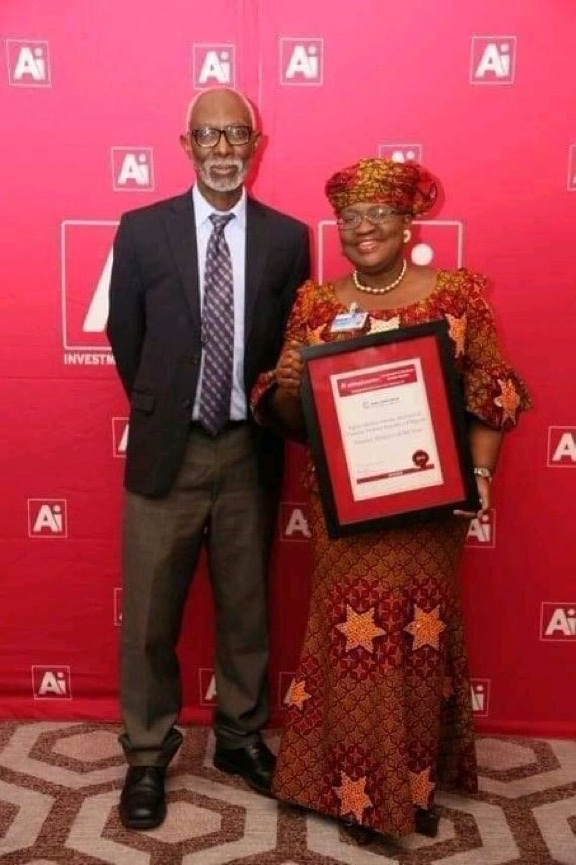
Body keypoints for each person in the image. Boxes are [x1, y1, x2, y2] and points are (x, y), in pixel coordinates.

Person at [251, 157, 530, 842]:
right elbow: (289, 419)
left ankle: (411, 783)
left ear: (409, 223)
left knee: (417, 637)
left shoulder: (456, 296)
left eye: (379, 213)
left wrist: (483, 478)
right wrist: (287, 380)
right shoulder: (317, 304)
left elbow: (493, 394)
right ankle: (358, 792)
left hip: (428, 509)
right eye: (350, 217)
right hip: (345, 511)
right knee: (353, 641)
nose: (363, 227)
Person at [107, 86, 311, 831]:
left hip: (247, 449)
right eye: (209, 136)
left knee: (246, 607)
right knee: (151, 614)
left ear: (255, 148)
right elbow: (126, 336)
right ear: (185, 144)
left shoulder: (289, 239)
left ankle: (238, 737)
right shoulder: (141, 230)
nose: (225, 149)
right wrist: (168, 406)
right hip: (170, 451)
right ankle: (148, 753)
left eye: (238, 136)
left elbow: (289, 349)